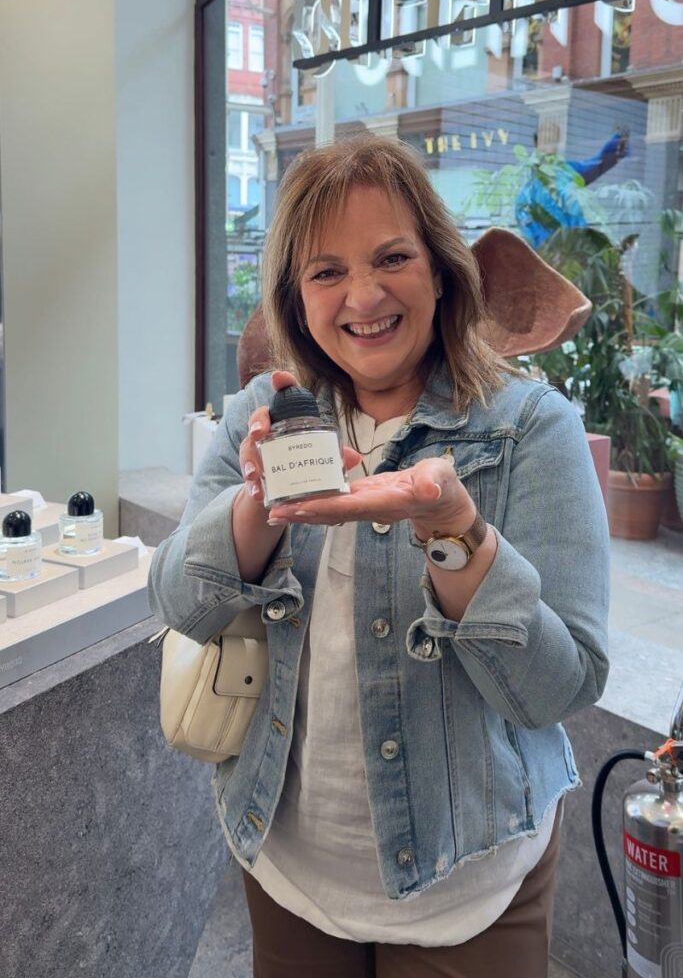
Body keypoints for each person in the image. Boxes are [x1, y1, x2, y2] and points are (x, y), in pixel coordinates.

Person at [148, 134, 609, 978]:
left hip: (469, 878)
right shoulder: (261, 415)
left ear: (439, 271)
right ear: (295, 298)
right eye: (326, 272)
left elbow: (560, 687)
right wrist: (258, 500)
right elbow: (179, 603)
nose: (363, 296)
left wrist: (454, 530)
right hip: (288, 862)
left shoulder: (528, 427)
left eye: (392, 258)